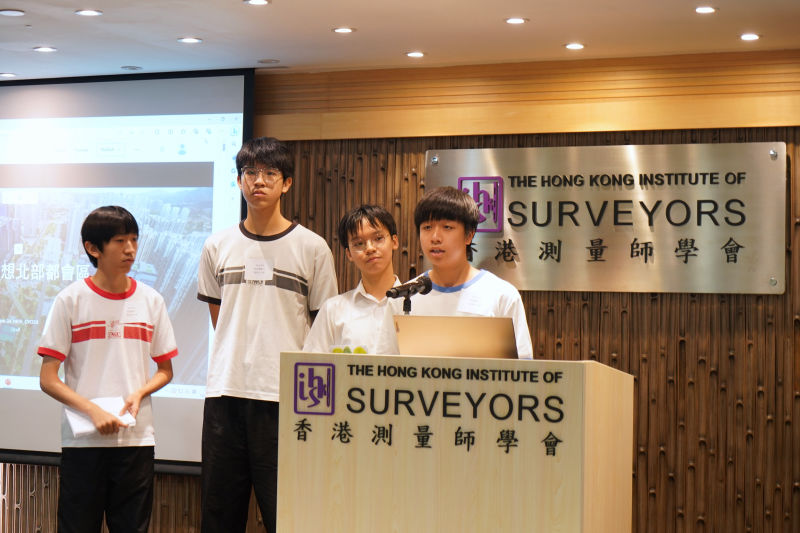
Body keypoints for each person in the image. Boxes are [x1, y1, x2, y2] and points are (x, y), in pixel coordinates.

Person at [196, 136, 337, 533]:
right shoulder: (217, 245)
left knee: (287, 516)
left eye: (270, 173)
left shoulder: (312, 248)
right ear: (239, 180)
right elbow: (220, 318)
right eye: (250, 172)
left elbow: (321, 329)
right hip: (225, 394)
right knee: (219, 516)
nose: (258, 181)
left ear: (286, 183)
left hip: (283, 399)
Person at [38, 205, 177, 533]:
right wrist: (93, 411)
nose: (130, 249)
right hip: (83, 442)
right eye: (120, 241)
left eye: (134, 239)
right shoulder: (70, 300)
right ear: (93, 248)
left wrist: (140, 392)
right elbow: (47, 378)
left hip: (136, 440)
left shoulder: (151, 300)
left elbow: (165, 370)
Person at [403, 186, 533, 359]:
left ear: (469, 235)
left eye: (447, 227)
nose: (435, 237)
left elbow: (524, 366)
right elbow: (384, 364)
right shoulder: (405, 295)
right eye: (427, 227)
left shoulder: (502, 295)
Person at [303, 204, 403, 354]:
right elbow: (312, 364)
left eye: (378, 238)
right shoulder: (333, 311)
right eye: (359, 244)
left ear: (394, 241)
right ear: (349, 254)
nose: (370, 248)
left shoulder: (416, 304)